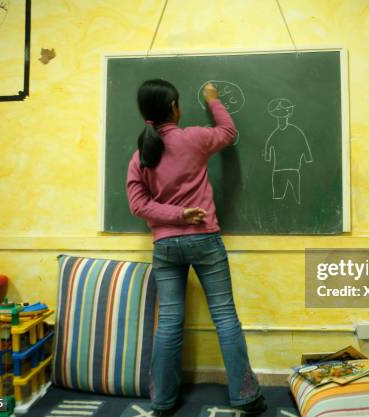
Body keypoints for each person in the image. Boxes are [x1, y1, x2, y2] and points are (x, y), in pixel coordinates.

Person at [126, 79, 265, 417]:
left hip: (165, 245)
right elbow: (229, 132)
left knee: (170, 322)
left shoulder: (141, 154)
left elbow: (137, 204)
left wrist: (173, 215)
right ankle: (245, 397)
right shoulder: (193, 138)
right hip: (204, 238)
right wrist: (213, 99)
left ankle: (162, 403)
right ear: (174, 106)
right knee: (225, 316)